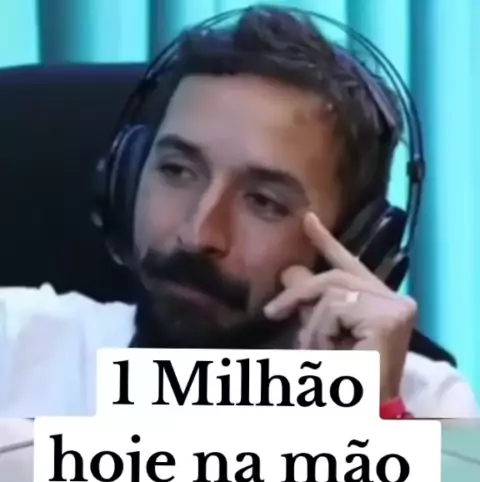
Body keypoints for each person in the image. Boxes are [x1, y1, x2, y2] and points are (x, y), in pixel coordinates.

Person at [0, 6, 478, 417]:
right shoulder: (17, 348)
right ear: (125, 176)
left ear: (356, 245)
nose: (199, 233)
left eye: (264, 202)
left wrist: (369, 421)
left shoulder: (422, 405)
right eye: (177, 171)